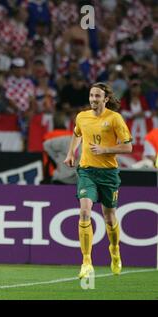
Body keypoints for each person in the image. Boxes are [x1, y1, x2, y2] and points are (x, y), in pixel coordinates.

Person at [64, 82, 133, 279]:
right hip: (86, 171)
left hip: (108, 174)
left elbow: (128, 147)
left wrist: (105, 150)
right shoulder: (82, 116)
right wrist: (71, 153)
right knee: (85, 212)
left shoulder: (114, 119)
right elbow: (77, 133)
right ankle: (86, 262)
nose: (93, 99)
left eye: (97, 96)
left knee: (109, 217)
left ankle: (115, 250)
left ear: (106, 99)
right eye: (91, 95)